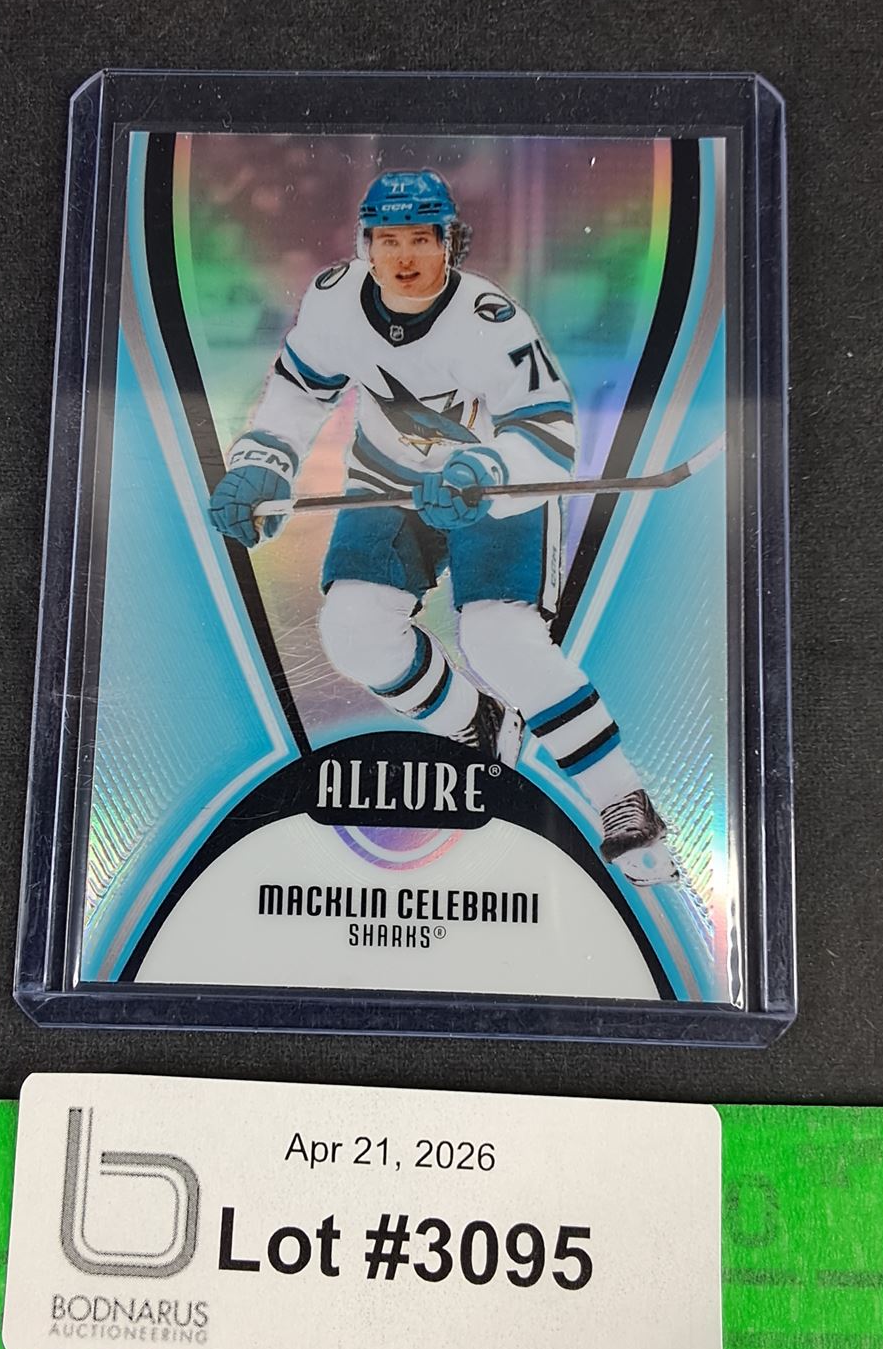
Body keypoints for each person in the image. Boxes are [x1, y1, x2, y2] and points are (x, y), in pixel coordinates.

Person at [206, 170, 674, 885]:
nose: (404, 257)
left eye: (421, 240)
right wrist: (263, 463)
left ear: (451, 242)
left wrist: (483, 471)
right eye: (387, 240)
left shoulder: (493, 321)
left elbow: (548, 431)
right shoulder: (334, 300)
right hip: (386, 481)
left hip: (493, 487)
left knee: (498, 638)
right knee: (353, 632)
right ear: (365, 244)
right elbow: (300, 391)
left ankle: (621, 798)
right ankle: (476, 724)